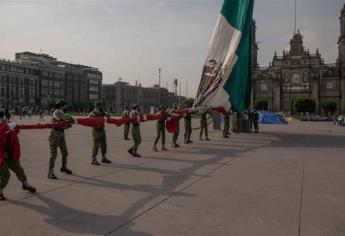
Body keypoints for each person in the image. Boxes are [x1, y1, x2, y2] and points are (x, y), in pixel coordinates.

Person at [0, 114, 36, 201]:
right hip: (1, 156)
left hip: (9, 155)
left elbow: (29, 126)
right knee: (5, 174)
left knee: (18, 169)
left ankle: (25, 184)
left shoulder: (12, 129)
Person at [48, 100, 73, 179]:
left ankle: (63, 167)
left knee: (65, 152)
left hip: (61, 134)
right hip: (55, 135)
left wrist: (68, 125)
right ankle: (50, 172)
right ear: (62, 106)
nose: (66, 107)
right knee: (53, 154)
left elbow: (65, 124)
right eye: (64, 105)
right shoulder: (57, 112)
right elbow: (61, 119)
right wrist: (68, 121)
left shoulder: (62, 112)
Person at [89, 101, 111, 165]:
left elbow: (109, 116)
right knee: (96, 145)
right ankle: (94, 159)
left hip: (102, 130)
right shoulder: (92, 113)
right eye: (100, 106)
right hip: (96, 131)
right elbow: (90, 121)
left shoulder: (102, 112)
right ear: (97, 106)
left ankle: (104, 158)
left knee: (104, 144)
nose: (101, 107)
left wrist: (106, 113)